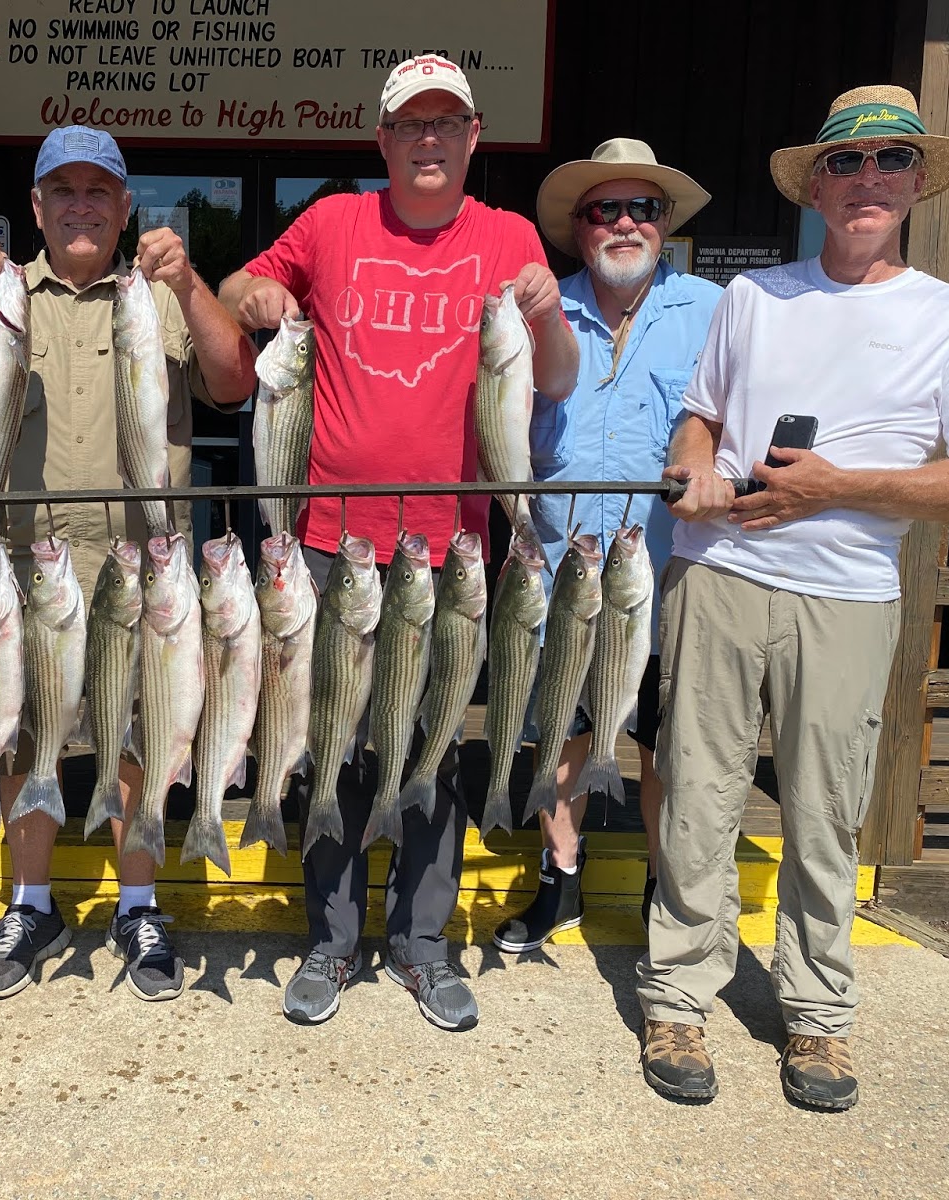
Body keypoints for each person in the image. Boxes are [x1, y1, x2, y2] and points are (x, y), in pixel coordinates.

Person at [636, 85, 949, 1110]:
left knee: (823, 812)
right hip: (717, 575)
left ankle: (817, 1019)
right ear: (816, 184)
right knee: (696, 796)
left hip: (848, 596)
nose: (868, 180)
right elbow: (696, 420)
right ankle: (679, 993)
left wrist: (836, 487)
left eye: (890, 161)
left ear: (914, 182)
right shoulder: (753, 297)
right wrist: (699, 471)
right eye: (847, 163)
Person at [221, 55, 579, 1032]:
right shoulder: (334, 222)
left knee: (425, 750)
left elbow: (552, 380)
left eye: (445, 124)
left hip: (448, 553)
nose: (428, 140)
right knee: (330, 745)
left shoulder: (505, 238)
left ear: (473, 139)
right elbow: (240, 284)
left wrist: (545, 314)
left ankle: (423, 946)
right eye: (409, 126)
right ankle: (330, 944)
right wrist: (253, 296)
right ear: (382, 141)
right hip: (331, 546)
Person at [0, 125, 255, 1003]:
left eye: (100, 192)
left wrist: (193, 283)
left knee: (140, 727)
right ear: (37, 208)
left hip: (139, 560)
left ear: (126, 208)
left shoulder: (158, 297)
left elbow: (236, 380)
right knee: (21, 728)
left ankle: (137, 902)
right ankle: (32, 899)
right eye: (64, 191)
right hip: (26, 558)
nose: (82, 206)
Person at [492, 139, 721, 955]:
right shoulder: (538, 312)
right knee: (562, 733)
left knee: (667, 747)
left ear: (664, 225)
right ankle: (560, 884)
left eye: (644, 209)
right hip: (557, 572)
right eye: (605, 210)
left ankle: (668, 890)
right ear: (579, 229)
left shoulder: (712, 310)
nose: (625, 223)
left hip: (673, 578)